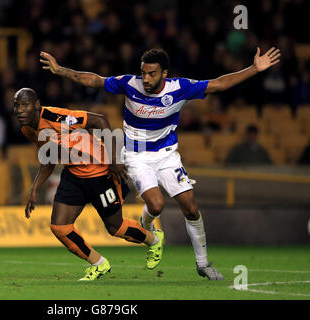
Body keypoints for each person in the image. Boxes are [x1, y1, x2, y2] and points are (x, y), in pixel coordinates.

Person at [40, 46, 281, 280]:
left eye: (152, 73)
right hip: (136, 156)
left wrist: (253, 69)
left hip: (167, 155)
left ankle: (203, 264)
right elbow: (94, 80)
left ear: (164, 73)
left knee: (191, 207)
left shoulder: (180, 88)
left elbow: (219, 83)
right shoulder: (129, 83)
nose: (145, 78)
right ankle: (149, 230)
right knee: (156, 205)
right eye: (143, 72)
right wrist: (60, 70)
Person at [14, 88, 164, 281]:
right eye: (16, 105)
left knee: (115, 228)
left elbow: (99, 120)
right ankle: (99, 263)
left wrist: (114, 158)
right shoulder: (28, 129)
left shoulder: (57, 117)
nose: (19, 109)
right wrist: (34, 188)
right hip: (73, 174)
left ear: (36, 105)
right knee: (60, 227)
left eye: (25, 104)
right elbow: (49, 156)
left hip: (101, 172)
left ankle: (154, 239)